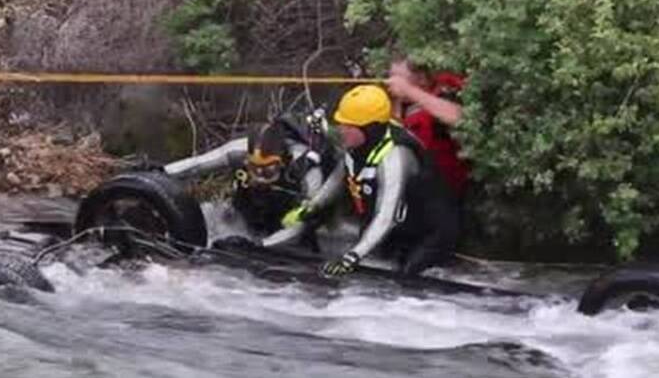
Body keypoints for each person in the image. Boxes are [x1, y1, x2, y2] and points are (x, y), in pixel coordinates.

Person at [309, 84, 461, 278]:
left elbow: (386, 216)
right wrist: (309, 207)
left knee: (403, 278)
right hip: (400, 227)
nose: (341, 130)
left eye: (347, 126)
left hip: (431, 233)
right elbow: (338, 176)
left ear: (370, 129)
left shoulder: (395, 156)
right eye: (340, 123)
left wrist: (352, 257)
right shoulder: (359, 139)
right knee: (370, 271)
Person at [162, 114, 342, 251]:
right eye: (254, 168)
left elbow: (302, 224)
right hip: (249, 210)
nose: (260, 176)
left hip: (291, 219)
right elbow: (195, 165)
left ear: (283, 161)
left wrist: (259, 246)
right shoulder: (236, 151)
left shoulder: (308, 171)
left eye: (269, 170)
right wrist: (162, 171)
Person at [386, 58, 470, 200]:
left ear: (422, 78)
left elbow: (459, 117)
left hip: (448, 191)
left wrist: (409, 90)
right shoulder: (399, 103)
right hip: (416, 189)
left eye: (400, 79)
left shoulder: (445, 90)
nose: (393, 82)